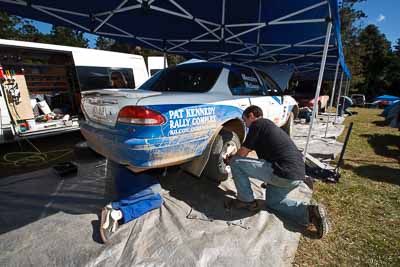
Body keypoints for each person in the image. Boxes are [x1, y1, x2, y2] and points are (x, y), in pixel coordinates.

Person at [225, 105, 330, 238]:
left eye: (245, 120)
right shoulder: (269, 128)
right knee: (274, 203)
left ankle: (246, 201)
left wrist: (230, 158)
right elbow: (262, 161)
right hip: (296, 176)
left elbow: (242, 154)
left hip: (283, 172)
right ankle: (309, 212)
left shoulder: (258, 124)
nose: (245, 124)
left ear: (252, 115)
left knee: (236, 163)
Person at [100, 163, 163, 244]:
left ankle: (117, 214)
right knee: (156, 190)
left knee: (157, 200)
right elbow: (139, 165)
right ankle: (114, 206)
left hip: (123, 175)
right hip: (129, 174)